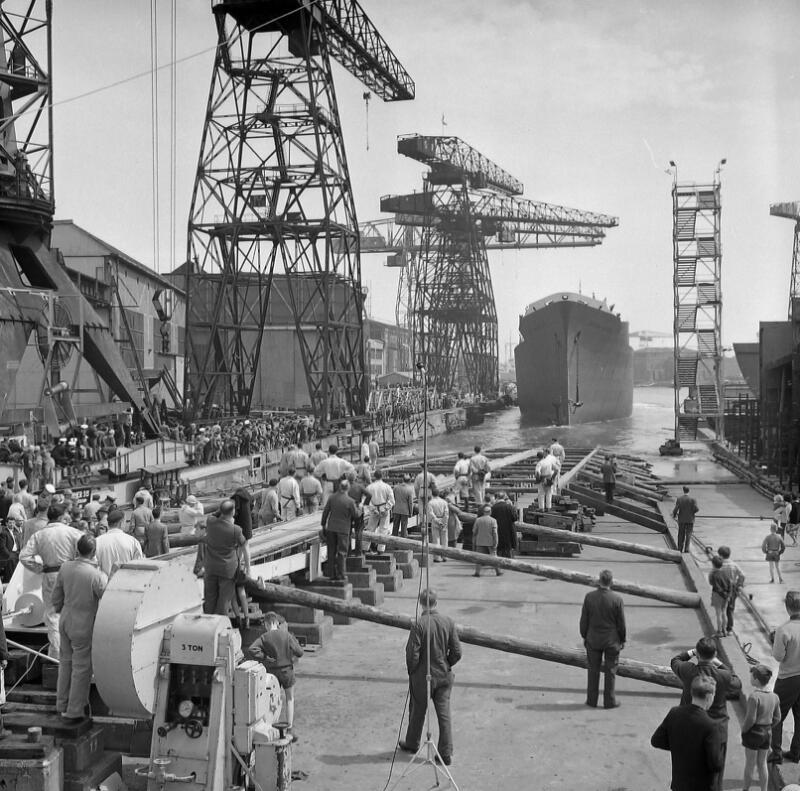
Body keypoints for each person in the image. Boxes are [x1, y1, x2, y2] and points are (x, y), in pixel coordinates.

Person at [399, 588, 462, 766]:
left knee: (417, 710)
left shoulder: (419, 624)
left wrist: (413, 671)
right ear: (436, 603)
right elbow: (457, 651)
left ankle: (412, 743)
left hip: (423, 676)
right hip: (443, 675)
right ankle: (446, 752)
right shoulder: (448, 622)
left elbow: (412, 654)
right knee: (444, 714)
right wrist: (447, 663)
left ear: (420, 603)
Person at [670, 636, 742, 788]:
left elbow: (675, 660)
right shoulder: (723, 676)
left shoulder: (688, 670)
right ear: (714, 654)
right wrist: (718, 662)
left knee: (687, 767)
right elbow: (737, 683)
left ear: (698, 653)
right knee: (715, 772)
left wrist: (691, 652)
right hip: (717, 728)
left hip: (691, 727)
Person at [51, 534, 107, 723]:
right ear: (94, 552)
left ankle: (61, 704)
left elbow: (56, 595)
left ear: (77, 549)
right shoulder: (95, 575)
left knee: (65, 663)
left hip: (65, 619)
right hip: (83, 624)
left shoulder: (65, 567)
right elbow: (105, 594)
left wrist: (60, 608)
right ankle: (74, 710)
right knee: (81, 668)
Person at [18, 503, 83, 658]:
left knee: (53, 616)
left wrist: (39, 568)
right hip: (71, 573)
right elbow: (89, 548)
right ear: (61, 516)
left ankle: (57, 654)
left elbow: (24, 556)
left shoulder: (40, 535)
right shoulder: (73, 532)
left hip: (50, 575)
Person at [650, 675, 723, 791]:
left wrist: (679, 747)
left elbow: (656, 741)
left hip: (679, 785)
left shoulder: (674, 713)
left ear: (692, 692)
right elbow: (715, 764)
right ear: (709, 697)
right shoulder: (711, 726)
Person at [248, 611, 304, 740]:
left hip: (272, 673)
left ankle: (272, 728)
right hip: (287, 671)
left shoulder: (264, 637)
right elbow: (300, 652)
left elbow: (252, 649)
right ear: (277, 622)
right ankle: (289, 729)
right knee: (290, 699)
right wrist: (290, 655)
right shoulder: (286, 635)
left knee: (273, 700)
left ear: (267, 624)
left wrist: (265, 657)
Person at [579, 568, 625, 709]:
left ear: (599, 580)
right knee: (611, 671)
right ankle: (609, 701)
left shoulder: (589, 597)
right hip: (611, 640)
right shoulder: (617, 599)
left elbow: (584, 620)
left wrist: (584, 636)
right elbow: (621, 623)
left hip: (593, 639)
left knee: (593, 670)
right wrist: (622, 639)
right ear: (611, 582)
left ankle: (591, 700)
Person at [203, 499, 248, 618]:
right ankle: (220, 623)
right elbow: (244, 546)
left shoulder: (210, 521)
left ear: (221, 511)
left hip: (211, 567)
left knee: (209, 599)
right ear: (233, 512)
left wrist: (222, 510)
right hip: (227, 570)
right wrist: (248, 567)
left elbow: (214, 514)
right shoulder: (236, 530)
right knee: (224, 601)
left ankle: (208, 622)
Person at [769, 589, 800, 764]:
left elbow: (778, 656)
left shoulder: (784, 629)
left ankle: (776, 753)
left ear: (787, 608)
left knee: (777, 715)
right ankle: (796, 753)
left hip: (788, 678)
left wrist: (774, 642)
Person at [741, 663, 781, 791]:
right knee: (762, 763)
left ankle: (745, 789)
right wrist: (768, 727)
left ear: (756, 679)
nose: (750, 678)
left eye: (752, 676)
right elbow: (777, 718)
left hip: (754, 733)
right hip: (767, 732)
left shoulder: (754, 697)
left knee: (750, 764)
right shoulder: (775, 697)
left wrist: (744, 730)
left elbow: (750, 719)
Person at [320, 479, 358, 581]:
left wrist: (323, 525)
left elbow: (325, 512)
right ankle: (341, 574)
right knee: (342, 552)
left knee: (331, 551)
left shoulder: (332, 498)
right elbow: (355, 514)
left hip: (331, 528)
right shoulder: (350, 501)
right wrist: (360, 509)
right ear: (348, 488)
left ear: (340, 487)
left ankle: (332, 574)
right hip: (343, 529)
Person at [95, 509, 143, 577]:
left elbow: (93, 567)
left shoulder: (97, 541)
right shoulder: (133, 542)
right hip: (125, 581)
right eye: (125, 522)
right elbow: (138, 567)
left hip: (104, 582)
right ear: (121, 523)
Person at [718, 545, 745, 636]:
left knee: (722, 609)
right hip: (732, 588)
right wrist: (739, 584)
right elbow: (742, 575)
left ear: (721, 555)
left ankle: (722, 629)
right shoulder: (734, 565)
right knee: (730, 609)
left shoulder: (720, 566)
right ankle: (729, 628)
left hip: (722, 588)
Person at [365, 469, 394, 553]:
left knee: (370, 529)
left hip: (374, 509)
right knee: (383, 530)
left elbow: (366, 500)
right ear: (382, 476)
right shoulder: (387, 487)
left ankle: (365, 548)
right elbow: (392, 500)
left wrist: (373, 509)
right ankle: (380, 550)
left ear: (374, 476)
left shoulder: (370, 487)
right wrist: (386, 508)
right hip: (384, 509)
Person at [471, 504, 501, 577]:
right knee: (494, 557)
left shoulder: (478, 520)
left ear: (483, 512)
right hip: (490, 542)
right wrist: (496, 542)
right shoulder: (493, 520)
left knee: (479, 558)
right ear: (490, 512)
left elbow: (474, 532)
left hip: (480, 541)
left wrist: (474, 541)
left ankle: (477, 572)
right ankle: (498, 571)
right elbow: (495, 533)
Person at [708, 555, 732, 637]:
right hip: (726, 595)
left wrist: (711, 574)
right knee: (724, 612)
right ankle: (725, 630)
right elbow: (730, 584)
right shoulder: (725, 573)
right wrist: (728, 595)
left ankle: (719, 631)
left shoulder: (714, 574)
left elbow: (712, 584)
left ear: (713, 564)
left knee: (718, 614)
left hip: (717, 595)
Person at [672, 485, 699, 553]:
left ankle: (680, 548)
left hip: (682, 519)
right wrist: (692, 513)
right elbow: (696, 509)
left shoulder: (679, 499)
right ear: (689, 490)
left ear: (683, 490)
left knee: (681, 534)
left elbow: (676, 509)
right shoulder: (693, 499)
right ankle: (686, 549)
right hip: (690, 520)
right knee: (688, 534)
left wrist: (674, 515)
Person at [491, 492, 518, 558]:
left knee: (499, 550)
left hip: (498, 530)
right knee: (508, 550)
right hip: (509, 531)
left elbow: (491, 519)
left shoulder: (494, 507)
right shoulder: (509, 507)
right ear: (504, 497)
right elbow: (515, 518)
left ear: (497, 498)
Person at [427, 487, 449, 560]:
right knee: (444, 539)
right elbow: (446, 513)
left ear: (432, 494)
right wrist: (444, 521)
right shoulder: (444, 502)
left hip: (435, 521)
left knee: (436, 540)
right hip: (443, 520)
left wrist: (437, 520)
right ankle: (445, 556)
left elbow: (431, 513)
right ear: (438, 493)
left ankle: (437, 557)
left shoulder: (430, 502)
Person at [391, 473, 415, 538]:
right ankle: (403, 541)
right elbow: (410, 503)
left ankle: (393, 541)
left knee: (395, 527)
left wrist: (392, 510)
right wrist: (411, 512)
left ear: (402, 479)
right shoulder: (409, 490)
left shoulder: (395, 488)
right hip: (405, 511)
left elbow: (392, 499)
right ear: (409, 481)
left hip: (396, 510)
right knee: (404, 528)